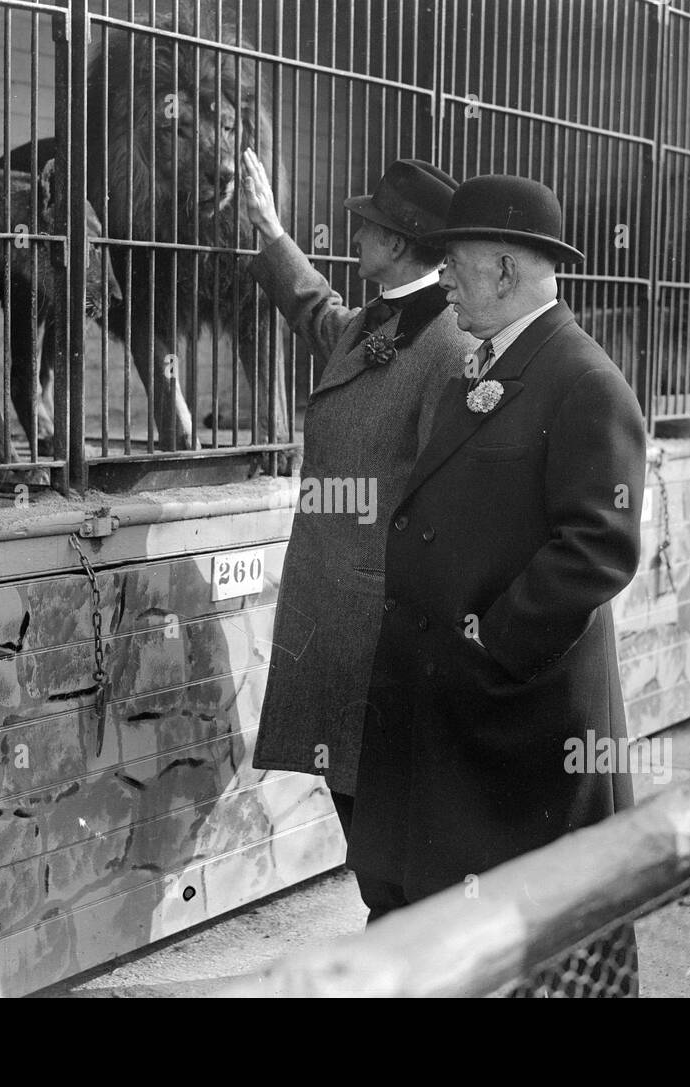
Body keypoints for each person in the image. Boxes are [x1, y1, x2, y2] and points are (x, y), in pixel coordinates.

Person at [345, 174, 645, 992]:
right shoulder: (487, 366)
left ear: (506, 272)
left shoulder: (582, 381)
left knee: (539, 953)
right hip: (459, 721)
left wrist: (494, 640)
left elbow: (599, 545)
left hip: (522, 727)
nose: (442, 278)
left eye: (455, 263)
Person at [239, 150, 477, 860]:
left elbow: (450, 502)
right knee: (356, 800)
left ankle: (399, 941)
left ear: (399, 243)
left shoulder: (449, 342)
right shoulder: (386, 315)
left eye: (368, 225)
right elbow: (322, 316)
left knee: (385, 811)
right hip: (337, 612)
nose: (355, 233)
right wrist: (273, 234)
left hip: (382, 623)